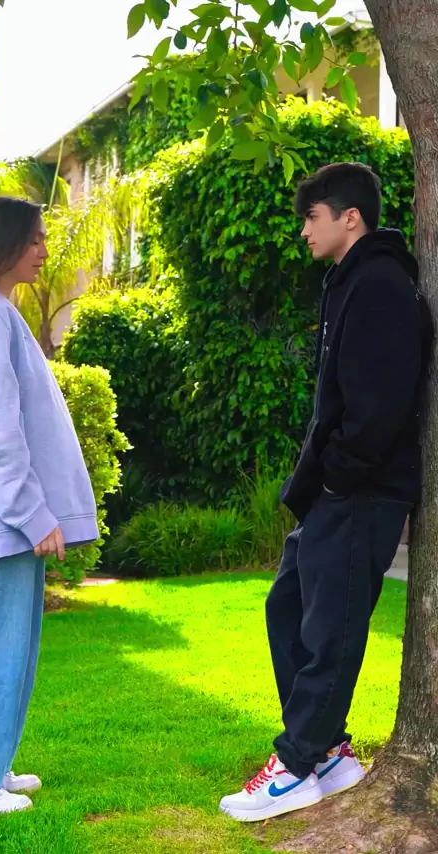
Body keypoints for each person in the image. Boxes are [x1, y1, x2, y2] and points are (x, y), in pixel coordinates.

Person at [220, 162, 432, 822]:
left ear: (350, 217)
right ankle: (331, 752)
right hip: (334, 489)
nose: (304, 230)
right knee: (287, 607)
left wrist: (341, 472)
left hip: (362, 489)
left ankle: (296, 765)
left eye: (312, 217)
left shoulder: (380, 285)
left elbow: (382, 402)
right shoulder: (350, 279)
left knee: (330, 631)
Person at [0, 197, 99, 814]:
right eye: (35, 239)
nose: (44, 249)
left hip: (1, 517)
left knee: (8, 648)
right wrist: (32, 513)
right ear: (2, 242)